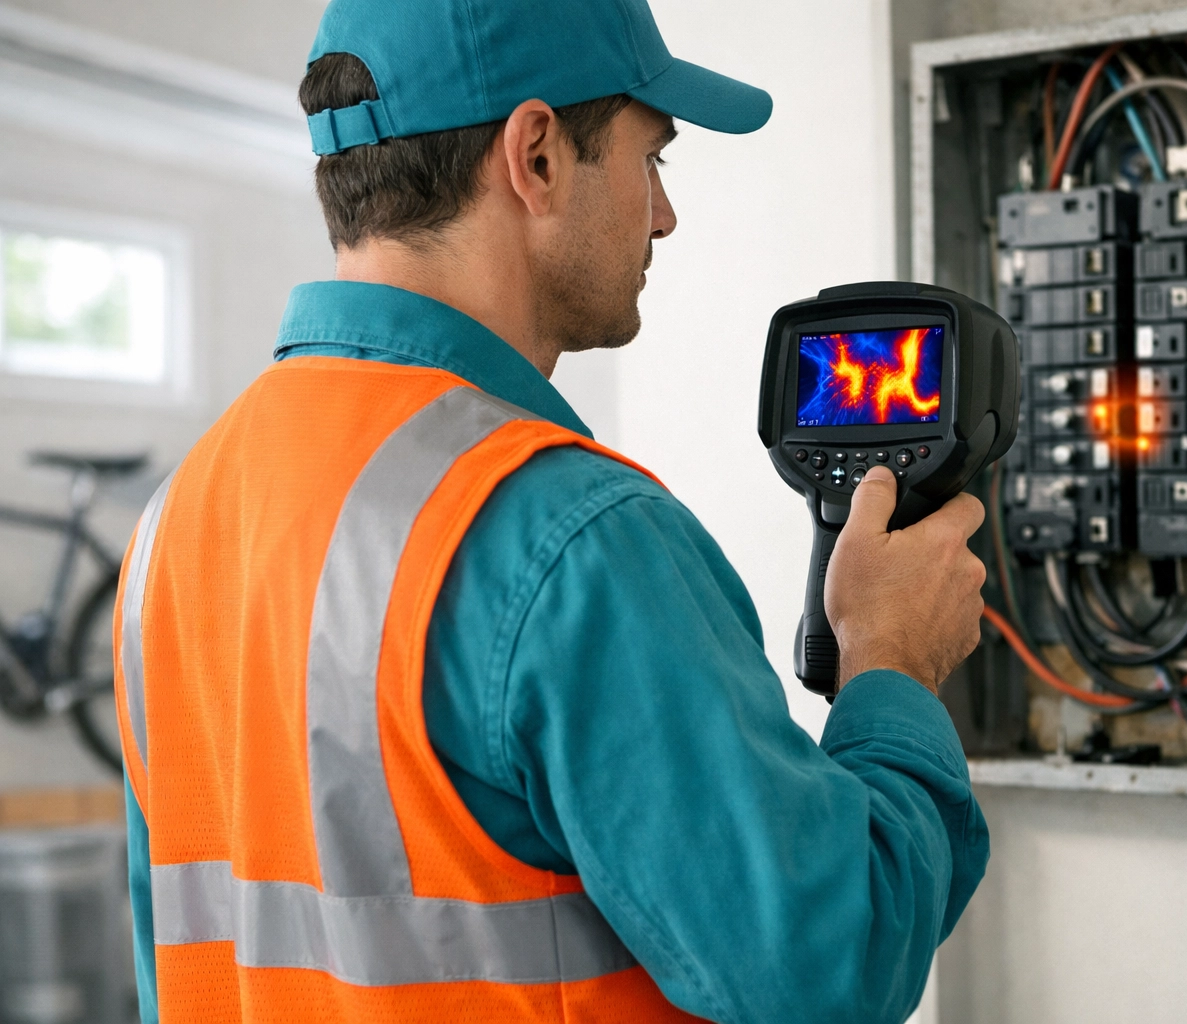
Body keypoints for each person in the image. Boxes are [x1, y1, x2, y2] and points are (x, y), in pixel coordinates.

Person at [115, 1, 990, 1021]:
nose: (663, 213)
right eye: (653, 158)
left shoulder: (175, 521)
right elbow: (827, 968)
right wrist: (892, 660)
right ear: (535, 156)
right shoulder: (564, 535)